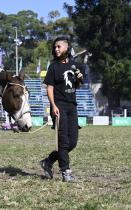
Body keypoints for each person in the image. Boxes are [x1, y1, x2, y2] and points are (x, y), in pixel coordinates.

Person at [40, 36, 84, 182]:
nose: (56, 49)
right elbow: (49, 87)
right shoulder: (53, 67)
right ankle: (66, 172)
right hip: (59, 107)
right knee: (63, 141)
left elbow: (77, 85)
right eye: (55, 47)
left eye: (59, 47)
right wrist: (53, 106)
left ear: (66, 48)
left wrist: (79, 79)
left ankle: (48, 161)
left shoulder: (74, 65)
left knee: (72, 142)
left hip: (72, 106)